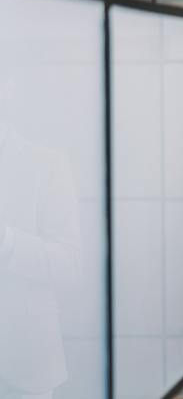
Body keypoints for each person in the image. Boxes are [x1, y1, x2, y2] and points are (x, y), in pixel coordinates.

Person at [0, 69, 82, 399]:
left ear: (6, 85)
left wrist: (6, 241)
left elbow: (70, 264)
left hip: (22, 367)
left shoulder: (48, 164)